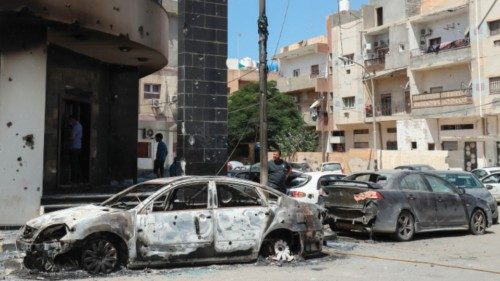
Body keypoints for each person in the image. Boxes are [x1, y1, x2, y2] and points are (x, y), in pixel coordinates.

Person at [68, 115, 83, 184]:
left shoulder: (76, 127)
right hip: (78, 146)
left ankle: (75, 179)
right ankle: (78, 179)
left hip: (74, 147)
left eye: (70, 121)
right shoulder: (79, 126)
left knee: (74, 164)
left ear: (73, 120)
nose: (69, 122)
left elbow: (72, 137)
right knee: (76, 163)